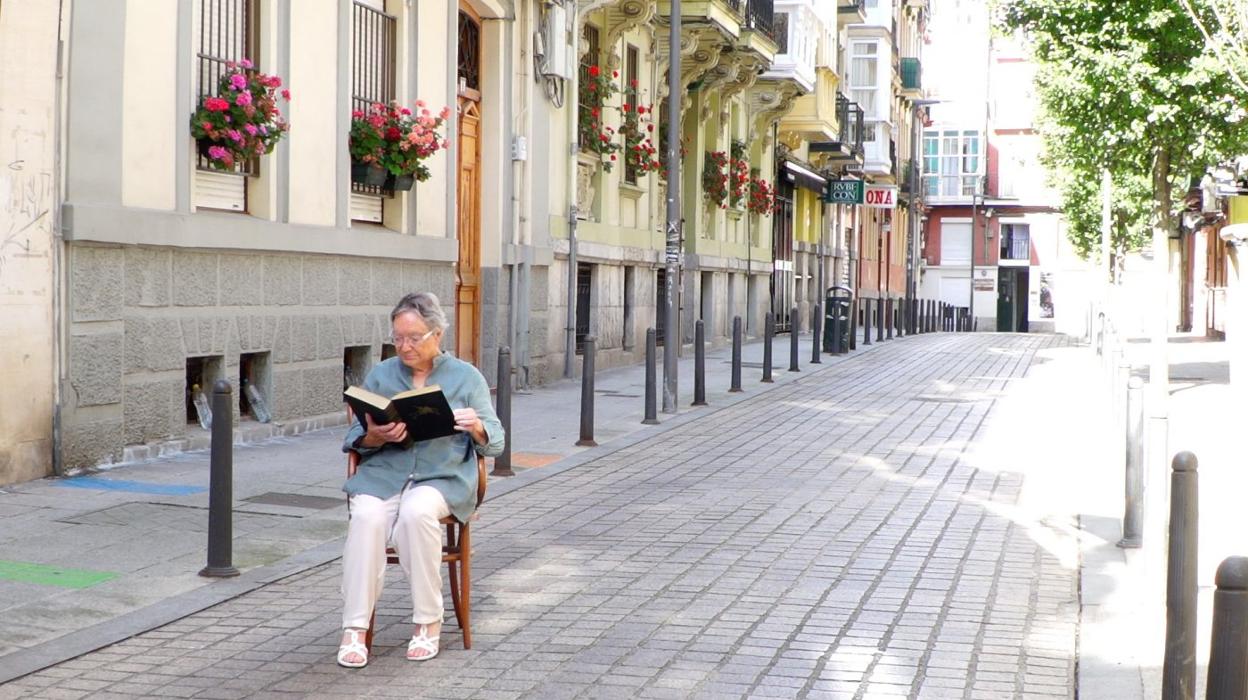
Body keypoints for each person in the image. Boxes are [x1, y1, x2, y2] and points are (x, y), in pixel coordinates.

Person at [337, 292, 504, 667]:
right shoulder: (382, 374)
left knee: (416, 513)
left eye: (414, 338)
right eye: (397, 338)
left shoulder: (466, 376)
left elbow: (496, 440)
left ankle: (428, 621)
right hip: (385, 474)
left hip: (440, 477)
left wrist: (476, 425)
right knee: (366, 516)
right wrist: (373, 437)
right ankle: (355, 629)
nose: (404, 346)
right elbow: (353, 438)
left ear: (437, 334)